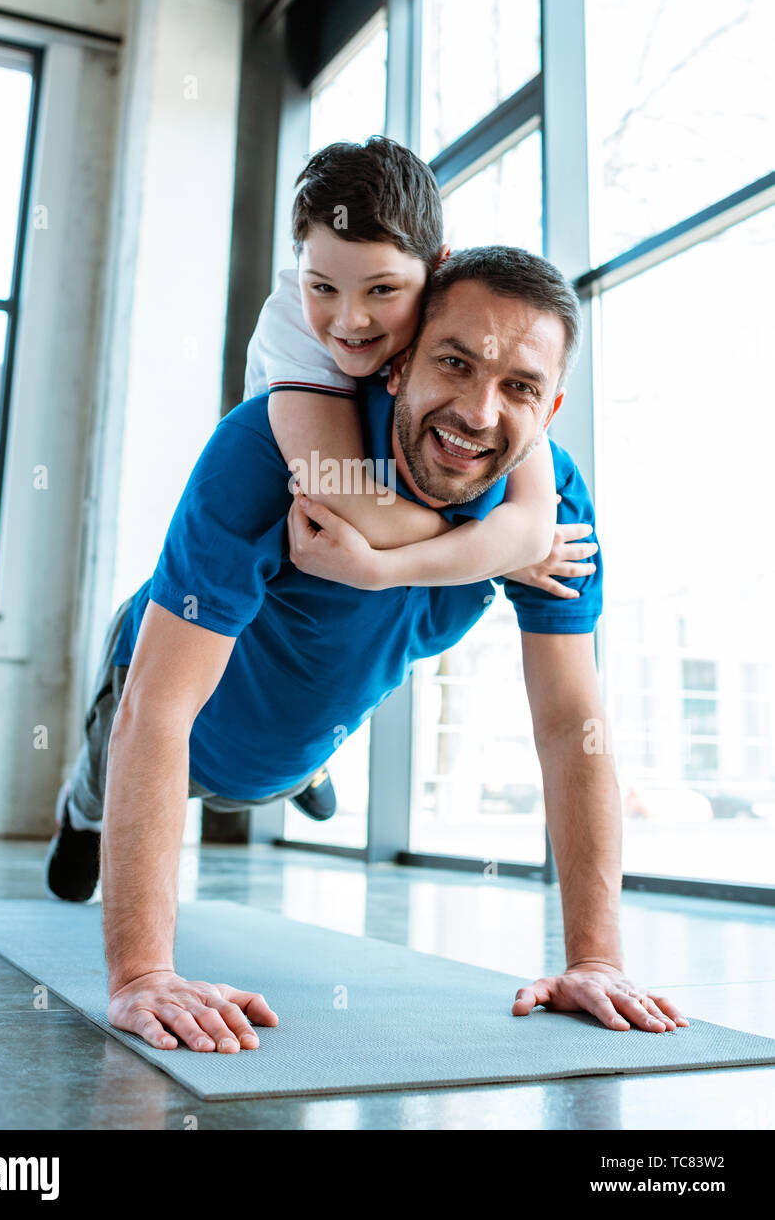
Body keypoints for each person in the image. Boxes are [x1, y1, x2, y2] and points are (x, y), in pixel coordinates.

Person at [46, 244, 690, 1053]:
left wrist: (596, 959)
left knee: (294, 742)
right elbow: (158, 708)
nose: (479, 412)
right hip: (169, 708)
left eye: (519, 387)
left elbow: (570, 722)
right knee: (113, 763)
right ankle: (78, 812)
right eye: (453, 363)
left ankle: (305, 765)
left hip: (311, 713)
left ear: (550, 411)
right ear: (396, 365)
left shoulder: (548, 513)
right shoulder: (270, 453)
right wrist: (143, 974)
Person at [243, 135, 558, 819]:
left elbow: (535, 523)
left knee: (360, 653)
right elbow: (341, 494)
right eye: (322, 286)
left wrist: (518, 542)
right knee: (297, 636)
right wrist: (497, 552)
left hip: (368, 579)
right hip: (285, 524)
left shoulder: (465, 333)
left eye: (382, 291)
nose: (350, 321)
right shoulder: (293, 325)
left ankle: (311, 756)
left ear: (436, 270)